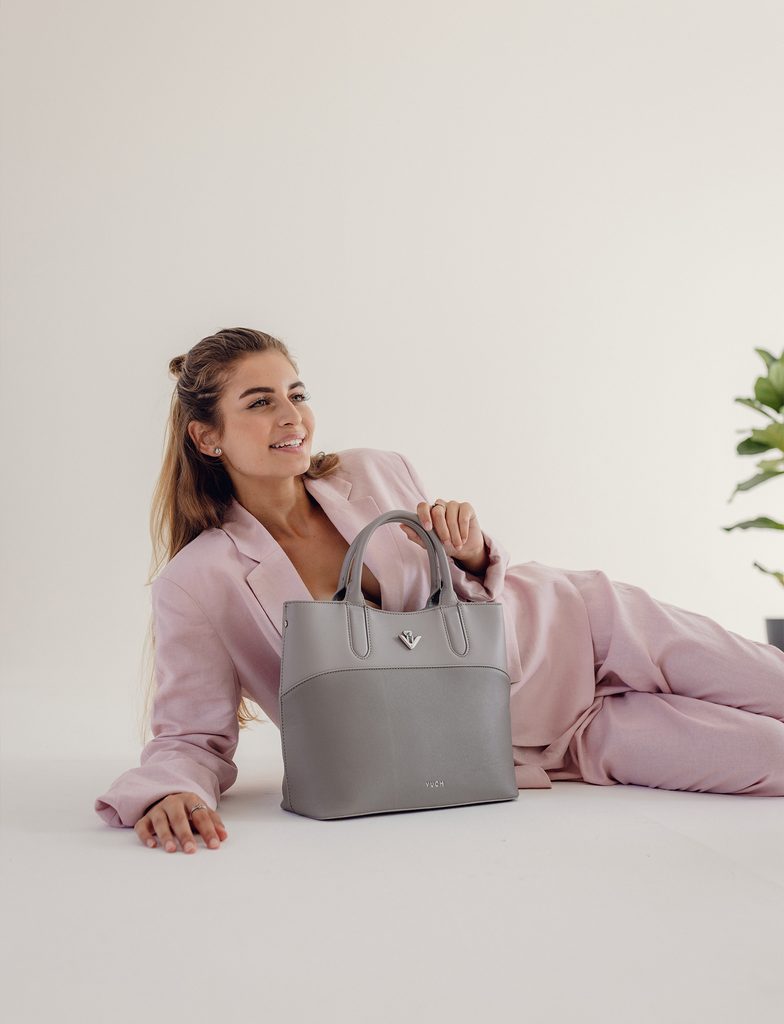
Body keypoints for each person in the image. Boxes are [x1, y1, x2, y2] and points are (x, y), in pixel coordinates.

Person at [94, 328, 784, 853]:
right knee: (767, 759)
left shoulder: (375, 471)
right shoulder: (198, 581)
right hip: (545, 738)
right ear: (207, 437)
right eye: (260, 402)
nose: (291, 416)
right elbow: (191, 734)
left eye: (297, 394)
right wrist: (172, 791)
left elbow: (465, 592)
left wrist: (471, 550)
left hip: (583, 627)